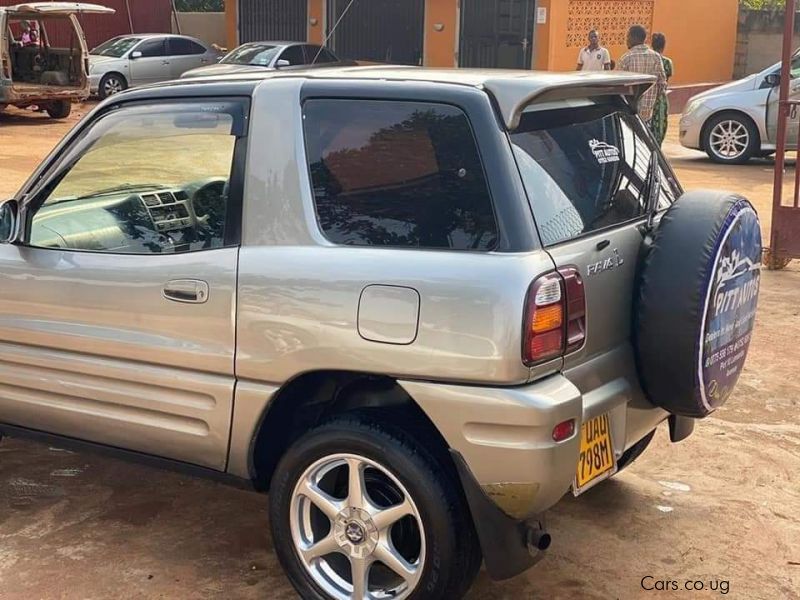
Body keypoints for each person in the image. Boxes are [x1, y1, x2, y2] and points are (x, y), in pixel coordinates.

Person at [617, 24, 667, 132]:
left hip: (629, 113)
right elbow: (662, 83)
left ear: (634, 38)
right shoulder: (656, 57)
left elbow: (618, 87)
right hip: (647, 113)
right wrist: (652, 99)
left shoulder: (626, 58)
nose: (627, 40)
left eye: (628, 37)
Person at [650, 32, 674, 147]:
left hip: (646, 96)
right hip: (660, 98)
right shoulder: (667, 62)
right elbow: (665, 81)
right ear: (663, 46)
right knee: (659, 126)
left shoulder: (648, 59)